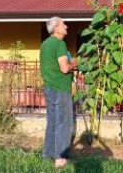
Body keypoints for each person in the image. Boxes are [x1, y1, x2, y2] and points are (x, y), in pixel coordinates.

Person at [40, 16, 78, 168]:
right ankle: (60, 159)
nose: (66, 26)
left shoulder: (45, 44)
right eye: (63, 24)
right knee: (63, 123)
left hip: (49, 87)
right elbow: (64, 68)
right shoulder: (59, 43)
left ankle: (47, 155)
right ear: (56, 28)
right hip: (61, 88)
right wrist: (73, 63)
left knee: (52, 123)